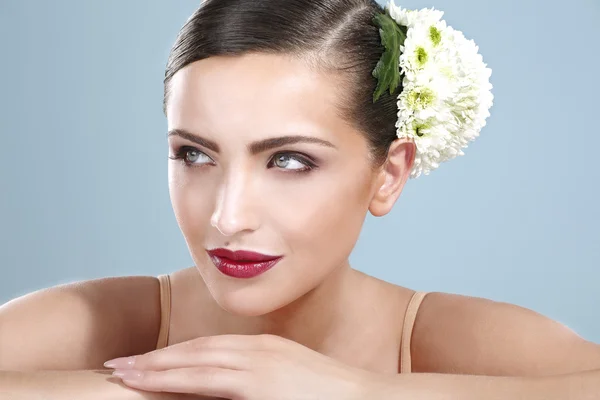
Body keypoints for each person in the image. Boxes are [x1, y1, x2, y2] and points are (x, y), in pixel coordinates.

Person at [1, 0, 599, 398]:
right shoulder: (110, 325)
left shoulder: (431, 341)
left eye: (289, 160)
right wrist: (145, 389)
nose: (227, 217)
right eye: (195, 155)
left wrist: (358, 391)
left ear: (388, 175)